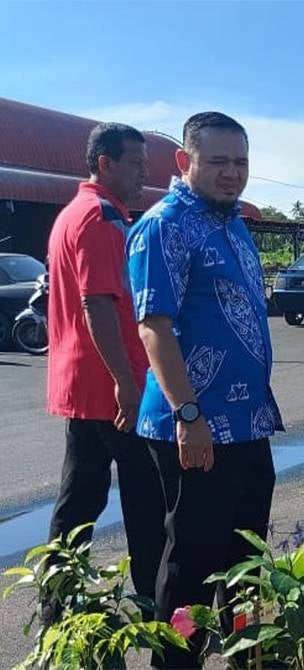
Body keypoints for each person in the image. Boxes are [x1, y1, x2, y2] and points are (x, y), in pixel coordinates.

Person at [127, 112, 282, 668]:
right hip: (195, 425)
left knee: (246, 560)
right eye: (218, 161)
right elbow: (154, 326)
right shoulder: (164, 226)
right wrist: (188, 414)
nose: (232, 173)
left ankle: (247, 658)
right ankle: (176, 663)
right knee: (191, 562)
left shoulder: (232, 223)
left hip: (247, 422)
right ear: (184, 161)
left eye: (240, 162)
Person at [46, 122, 165, 613]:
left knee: (78, 502)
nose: (144, 173)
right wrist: (125, 383)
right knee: (148, 504)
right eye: (135, 163)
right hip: (114, 388)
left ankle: (55, 611)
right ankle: (160, 617)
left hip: (84, 385)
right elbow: (97, 303)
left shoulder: (74, 213)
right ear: (104, 163)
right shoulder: (99, 218)